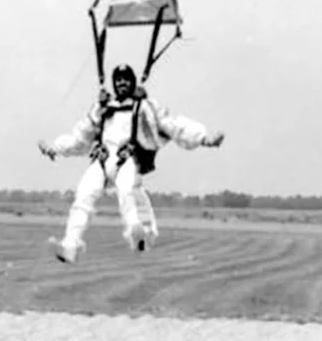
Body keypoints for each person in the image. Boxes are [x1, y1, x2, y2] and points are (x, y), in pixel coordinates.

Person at [37, 63, 225, 264]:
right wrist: (55, 148)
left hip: (127, 159)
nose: (122, 83)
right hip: (102, 159)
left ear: (133, 81)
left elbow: (172, 127)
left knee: (126, 189)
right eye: (118, 80)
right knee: (83, 195)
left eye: (126, 79)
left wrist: (204, 139)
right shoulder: (102, 109)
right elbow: (81, 138)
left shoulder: (145, 106)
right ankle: (70, 246)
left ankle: (137, 233)